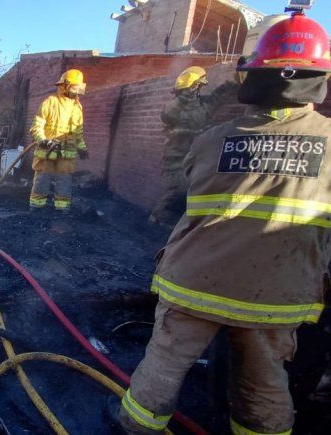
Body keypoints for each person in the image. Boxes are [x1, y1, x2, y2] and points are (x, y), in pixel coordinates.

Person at [113, 11, 331, 435]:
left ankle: (134, 426)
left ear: (253, 79)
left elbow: (190, 187)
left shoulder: (213, 139)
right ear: (318, 80)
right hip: (274, 295)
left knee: (163, 362)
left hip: (193, 281)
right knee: (263, 383)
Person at [149, 66, 238, 226]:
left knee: (194, 191)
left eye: (199, 86)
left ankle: (176, 224)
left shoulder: (204, 106)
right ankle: (156, 221)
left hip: (197, 158)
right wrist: (186, 96)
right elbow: (168, 115)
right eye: (196, 86)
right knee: (178, 191)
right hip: (176, 160)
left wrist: (239, 77)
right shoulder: (173, 107)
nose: (197, 89)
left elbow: (220, 95)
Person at [29, 69, 88, 212]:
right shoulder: (50, 102)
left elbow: (78, 132)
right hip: (48, 152)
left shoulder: (77, 107)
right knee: (42, 182)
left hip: (67, 155)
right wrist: (43, 140)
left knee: (64, 184)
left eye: (79, 88)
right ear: (64, 85)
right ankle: (36, 209)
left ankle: (62, 211)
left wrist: (82, 147)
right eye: (75, 87)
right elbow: (37, 125)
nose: (77, 92)